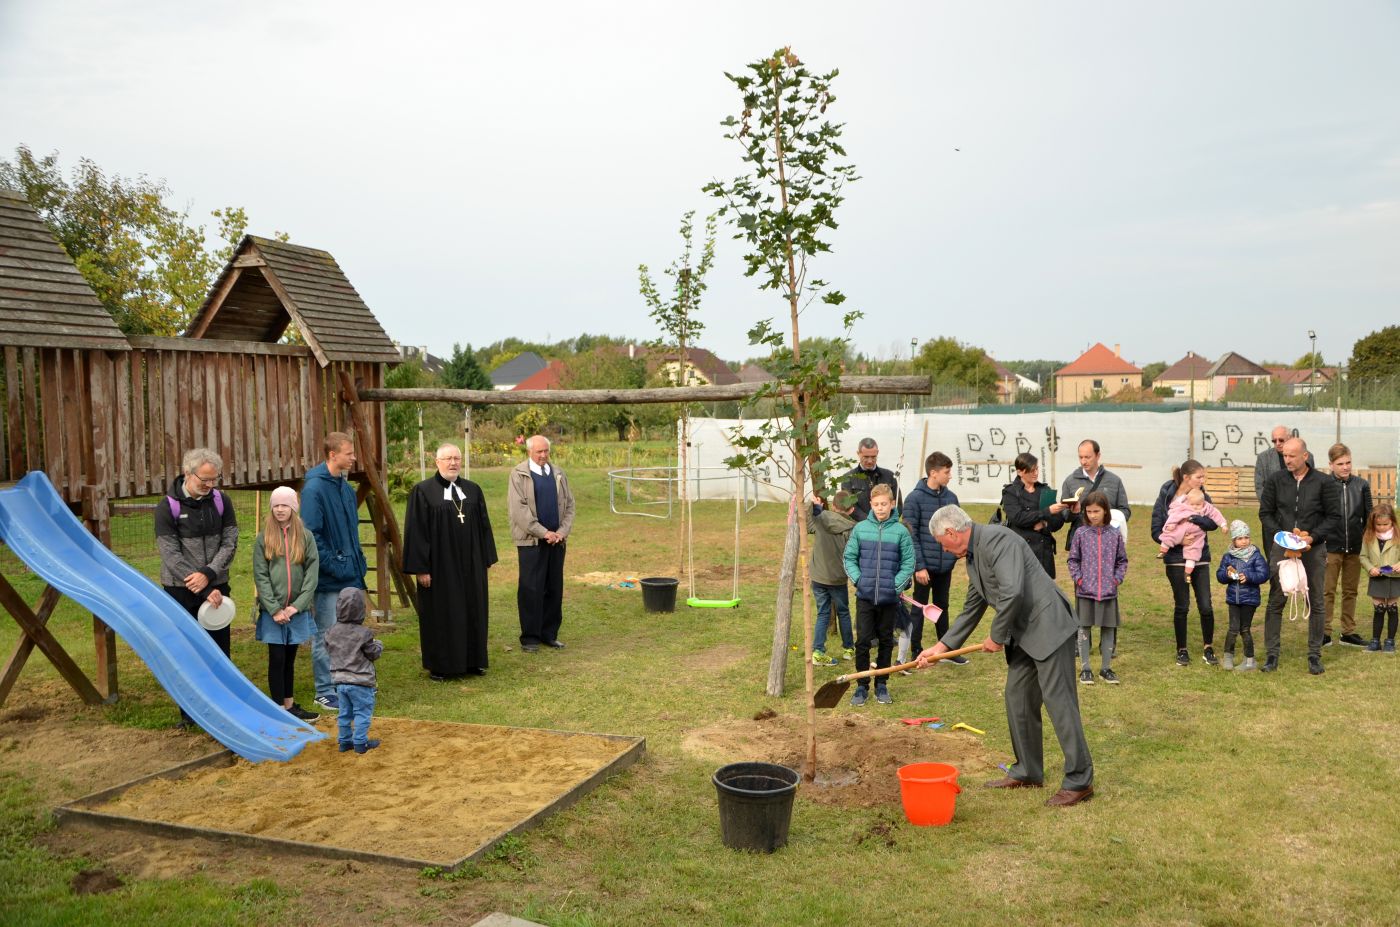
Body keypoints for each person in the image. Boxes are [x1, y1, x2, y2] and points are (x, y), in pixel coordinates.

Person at [916, 505, 1094, 807]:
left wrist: (996, 636)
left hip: (1048, 627)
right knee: (1017, 698)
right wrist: (941, 648)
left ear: (951, 532)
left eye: (941, 543)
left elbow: (1012, 592)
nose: (943, 550)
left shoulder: (998, 540)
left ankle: (1079, 780)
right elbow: (974, 605)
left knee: (1059, 703)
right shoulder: (973, 557)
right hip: (1023, 634)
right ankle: (1027, 770)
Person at [155, 447, 239, 729]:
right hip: (181, 591)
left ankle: (222, 709)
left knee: (218, 653)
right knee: (186, 653)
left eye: (214, 479)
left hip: (217, 587)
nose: (210, 485)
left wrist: (209, 574)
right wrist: (201, 586)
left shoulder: (221, 501)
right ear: (188, 474)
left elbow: (230, 542)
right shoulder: (167, 507)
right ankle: (189, 714)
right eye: (205, 479)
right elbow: (170, 555)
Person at [402, 443, 498, 679]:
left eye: (457, 458)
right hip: (440, 567)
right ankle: (442, 665)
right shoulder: (423, 491)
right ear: (437, 462)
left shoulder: (473, 490)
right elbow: (416, 532)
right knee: (444, 612)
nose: (453, 463)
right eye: (448, 459)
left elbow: (484, 526)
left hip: (472, 564)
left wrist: (486, 558)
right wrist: (421, 569)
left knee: (473, 609)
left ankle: (473, 661)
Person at [1259, 437, 1341, 675]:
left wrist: (1311, 537)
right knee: (1276, 599)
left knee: (1316, 600)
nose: (1287, 460)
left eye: (1292, 456)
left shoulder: (1324, 483)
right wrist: (1282, 536)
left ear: (1305, 456)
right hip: (1281, 548)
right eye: (1285, 455)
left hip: (1313, 549)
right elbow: (1265, 513)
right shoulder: (1275, 480)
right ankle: (1272, 655)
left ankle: (1314, 655)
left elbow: (1333, 517)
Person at [300, 432, 368, 712]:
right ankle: (324, 691)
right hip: (329, 577)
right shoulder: (314, 489)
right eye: (349, 453)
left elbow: (351, 532)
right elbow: (312, 535)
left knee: (350, 633)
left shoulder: (345, 487)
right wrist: (336, 564)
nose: (353, 457)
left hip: (351, 573)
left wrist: (356, 561)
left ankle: (346, 684)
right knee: (326, 634)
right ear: (332, 455)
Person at [842, 483, 915, 706]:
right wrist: (860, 581)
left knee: (885, 640)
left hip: (889, 599)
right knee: (863, 641)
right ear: (871, 505)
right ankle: (862, 686)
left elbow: (909, 562)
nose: (880, 508)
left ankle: (881, 683)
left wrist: (895, 586)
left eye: (884, 504)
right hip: (865, 597)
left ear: (892, 504)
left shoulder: (901, 531)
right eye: (876, 505)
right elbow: (849, 558)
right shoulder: (861, 529)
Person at [252, 486, 320, 722]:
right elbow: (261, 575)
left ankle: (290, 706)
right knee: (277, 658)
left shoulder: (305, 537)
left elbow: (312, 575)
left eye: (285, 505)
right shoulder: (264, 538)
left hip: (296, 610)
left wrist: (296, 606)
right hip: (273, 612)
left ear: (293, 508)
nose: (280, 510)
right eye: (276, 506)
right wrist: (274, 608)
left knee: (290, 659)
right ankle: (278, 708)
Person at [508, 435, 576, 652]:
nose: (544, 455)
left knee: (554, 588)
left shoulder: (558, 473)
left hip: (557, 542)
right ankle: (530, 638)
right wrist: (544, 532)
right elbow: (519, 511)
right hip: (531, 542)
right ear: (529, 452)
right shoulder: (519, 474)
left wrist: (561, 532)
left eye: (546, 451)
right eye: (539, 452)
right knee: (531, 589)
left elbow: (569, 505)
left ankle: (549, 634)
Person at [1151, 460, 1221, 667]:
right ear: (1186, 478)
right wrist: (1179, 539)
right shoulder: (1166, 496)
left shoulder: (1202, 497)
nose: (1203, 481)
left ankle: (1208, 647)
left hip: (1200, 557)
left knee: (1206, 606)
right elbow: (1156, 531)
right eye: (1199, 477)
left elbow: (1212, 524)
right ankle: (1182, 650)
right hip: (1175, 559)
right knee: (1182, 606)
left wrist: (1193, 518)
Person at [901, 451, 966, 666]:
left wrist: (953, 558)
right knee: (919, 608)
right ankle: (916, 649)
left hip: (944, 566)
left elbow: (958, 529)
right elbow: (911, 535)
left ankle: (945, 649)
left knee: (942, 606)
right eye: (947, 472)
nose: (950, 476)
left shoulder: (951, 498)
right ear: (933, 473)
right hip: (924, 567)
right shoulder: (914, 499)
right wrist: (919, 566)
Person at [1067, 491, 1128, 685]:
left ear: (1105, 511)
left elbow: (1122, 560)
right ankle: (1085, 669)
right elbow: (1073, 560)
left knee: (1108, 628)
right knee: (1083, 628)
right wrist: (1079, 580)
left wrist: (1116, 579)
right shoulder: (1080, 533)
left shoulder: (1115, 534)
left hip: (1109, 592)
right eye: (1089, 511)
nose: (1092, 515)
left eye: (1097, 511)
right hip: (1085, 591)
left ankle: (1106, 668)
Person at [1323, 443, 1372, 647]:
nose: (1345, 467)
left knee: (1351, 591)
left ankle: (1348, 632)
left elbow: (1369, 516)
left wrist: (1364, 541)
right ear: (1331, 464)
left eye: (1348, 462)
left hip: (1354, 547)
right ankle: (1323, 632)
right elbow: (1318, 516)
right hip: (1330, 547)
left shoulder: (1362, 485)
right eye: (1340, 463)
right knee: (1328, 591)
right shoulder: (1323, 486)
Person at [324, 587, 384, 754]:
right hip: (360, 682)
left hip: (340, 681)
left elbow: (328, 649)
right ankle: (360, 743)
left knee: (344, 713)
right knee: (362, 713)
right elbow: (373, 653)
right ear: (361, 610)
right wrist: (379, 644)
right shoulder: (364, 633)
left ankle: (344, 742)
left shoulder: (331, 631)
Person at [1001, 452, 1073, 578]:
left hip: (1044, 553)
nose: (1035, 473)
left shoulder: (1044, 490)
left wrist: (1044, 523)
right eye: (1031, 470)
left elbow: (1058, 521)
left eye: (1037, 469)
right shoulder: (1011, 492)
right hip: (1021, 551)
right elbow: (1018, 518)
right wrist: (1046, 512)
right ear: (1020, 472)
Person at [807, 489, 857, 665]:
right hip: (837, 579)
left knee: (823, 613)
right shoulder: (853, 529)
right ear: (851, 510)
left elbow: (807, 525)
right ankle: (849, 649)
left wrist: (813, 507)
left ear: (834, 506)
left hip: (818, 577)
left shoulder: (820, 519)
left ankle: (818, 651)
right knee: (843, 612)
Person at [1216, 521, 1268, 671]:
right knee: (1232, 628)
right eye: (1240, 538)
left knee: (1244, 629)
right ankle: (1228, 657)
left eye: (1246, 537)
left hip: (1249, 599)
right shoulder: (1228, 557)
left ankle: (1249, 661)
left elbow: (1264, 574)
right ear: (1233, 540)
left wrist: (1249, 576)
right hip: (1233, 599)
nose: (1244, 541)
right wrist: (1227, 575)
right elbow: (1220, 576)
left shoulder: (1255, 555)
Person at [1060, 439, 1130, 549]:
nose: (1083, 461)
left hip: (1109, 542)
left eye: (1087, 457)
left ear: (1098, 456)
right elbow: (1064, 515)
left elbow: (1125, 510)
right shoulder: (1070, 481)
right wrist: (1073, 513)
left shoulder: (1114, 480)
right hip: (1081, 543)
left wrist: (1110, 523)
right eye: (1080, 457)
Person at [1254, 426, 1314, 556]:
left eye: (1281, 440)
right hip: (1273, 516)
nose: (1277, 444)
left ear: (1290, 438)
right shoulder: (1263, 458)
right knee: (1274, 556)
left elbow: (1310, 484)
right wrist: (1271, 505)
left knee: (1300, 555)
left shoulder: (1307, 457)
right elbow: (1259, 486)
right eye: (1274, 441)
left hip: (1299, 516)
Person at [1156, 488, 1226, 576]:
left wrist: (1223, 525)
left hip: (1197, 535)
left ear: (1203, 502)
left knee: (1193, 552)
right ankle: (1162, 551)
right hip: (1181, 528)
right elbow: (1175, 516)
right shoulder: (1183, 507)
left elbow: (1216, 515)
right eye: (1192, 504)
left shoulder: (1207, 507)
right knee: (1171, 535)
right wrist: (1171, 525)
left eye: (1198, 504)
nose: (1195, 506)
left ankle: (1187, 573)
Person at [1360, 503, 1399, 652]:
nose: (1382, 527)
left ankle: (1390, 642)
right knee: (1379, 609)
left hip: (1394, 578)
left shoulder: (1398, 535)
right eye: (1378, 524)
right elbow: (1363, 556)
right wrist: (1371, 568)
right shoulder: (1368, 536)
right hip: (1377, 578)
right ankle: (1375, 641)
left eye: (1385, 524)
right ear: (1373, 522)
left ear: (1392, 522)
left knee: (1392, 609)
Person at [839, 437, 902, 521]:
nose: (870, 461)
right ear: (858, 453)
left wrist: (886, 521)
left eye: (873, 457)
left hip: (886, 528)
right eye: (866, 457)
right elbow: (849, 506)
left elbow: (898, 504)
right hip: (860, 528)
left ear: (877, 453)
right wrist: (869, 522)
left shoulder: (890, 476)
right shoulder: (848, 479)